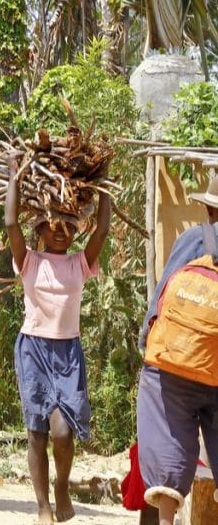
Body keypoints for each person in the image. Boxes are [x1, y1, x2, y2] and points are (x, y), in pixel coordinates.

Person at [4, 167, 110, 524]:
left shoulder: (80, 264)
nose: (61, 231)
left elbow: (104, 230)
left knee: (63, 432)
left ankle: (62, 484)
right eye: (53, 224)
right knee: (37, 431)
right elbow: (10, 224)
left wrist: (103, 184)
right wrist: (13, 176)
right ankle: (42, 504)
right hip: (34, 351)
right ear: (40, 228)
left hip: (68, 353)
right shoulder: (29, 261)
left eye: (68, 224)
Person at [136, 177, 218, 525]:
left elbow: (162, 296)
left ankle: (167, 521)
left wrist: (147, 344)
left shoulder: (195, 238)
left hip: (175, 366)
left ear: (209, 207)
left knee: (168, 439)